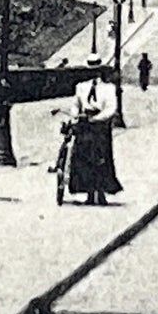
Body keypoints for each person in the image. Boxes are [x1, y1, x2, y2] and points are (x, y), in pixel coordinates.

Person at [64, 57, 122, 205]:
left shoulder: (108, 88)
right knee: (84, 159)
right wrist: (76, 114)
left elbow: (111, 108)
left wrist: (98, 118)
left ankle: (101, 193)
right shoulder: (81, 87)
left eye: (96, 71)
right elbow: (75, 104)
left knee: (101, 158)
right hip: (84, 125)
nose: (93, 75)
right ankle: (89, 193)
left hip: (100, 127)